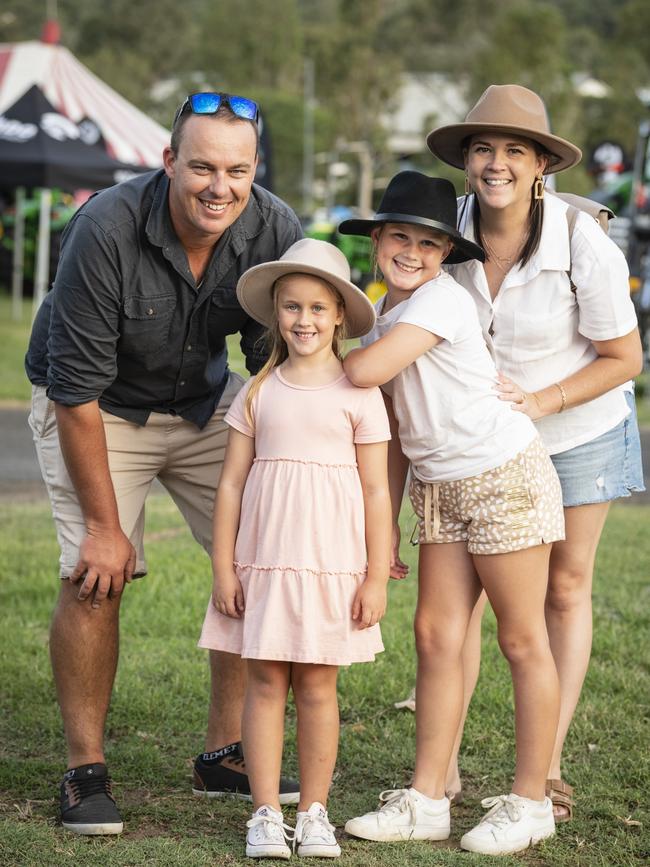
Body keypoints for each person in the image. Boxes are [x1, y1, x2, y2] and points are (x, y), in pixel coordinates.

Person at [24, 91, 304, 835]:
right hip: (99, 406)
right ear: (169, 161)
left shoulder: (273, 225)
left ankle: (225, 751)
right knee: (96, 575)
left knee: (259, 556)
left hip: (204, 401)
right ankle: (85, 771)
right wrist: (105, 527)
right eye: (203, 166)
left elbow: (278, 360)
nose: (221, 186)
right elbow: (75, 391)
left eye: (238, 170)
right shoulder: (105, 227)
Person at [427, 84, 644, 823]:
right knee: (470, 597)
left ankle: (544, 765)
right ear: (465, 160)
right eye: (483, 148)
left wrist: (543, 402)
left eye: (515, 150)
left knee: (563, 586)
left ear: (542, 163)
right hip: (481, 444)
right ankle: (442, 761)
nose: (496, 163)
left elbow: (624, 356)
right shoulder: (442, 229)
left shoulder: (583, 238)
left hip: (575, 430)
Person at [338, 172, 565, 856]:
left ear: (445, 254)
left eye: (429, 242)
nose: (412, 251)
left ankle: (531, 802)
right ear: (377, 241)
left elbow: (361, 374)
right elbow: (398, 431)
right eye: (399, 236)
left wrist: (316, 347)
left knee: (520, 639)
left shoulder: (441, 301)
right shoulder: (386, 312)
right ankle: (428, 798)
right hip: (440, 489)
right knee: (436, 637)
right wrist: (391, 527)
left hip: (502, 475)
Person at [197, 238, 392, 859]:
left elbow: (376, 492)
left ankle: (313, 813)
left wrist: (375, 577)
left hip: (333, 567)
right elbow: (230, 484)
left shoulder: (360, 392)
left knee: (317, 688)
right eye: (290, 307)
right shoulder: (258, 391)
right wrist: (223, 567)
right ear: (275, 313)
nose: (303, 320)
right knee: (262, 684)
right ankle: (263, 814)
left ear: (339, 315)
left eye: (316, 308)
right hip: (264, 565)